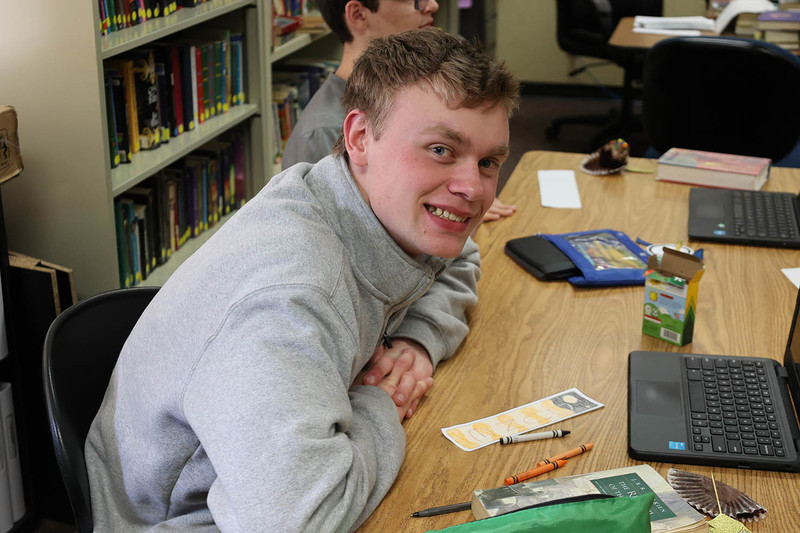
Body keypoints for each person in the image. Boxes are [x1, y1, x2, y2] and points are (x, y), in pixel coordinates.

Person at [86, 27, 519, 531]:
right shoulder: (289, 298)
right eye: (441, 150)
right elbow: (298, 521)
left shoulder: (368, 204)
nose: (472, 188)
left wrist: (415, 344)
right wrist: (379, 401)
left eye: (489, 162)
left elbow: (460, 256)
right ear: (360, 138)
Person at [281, 0, 516, 223]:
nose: (432, 5)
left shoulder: (414, 101)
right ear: (358, 15)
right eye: (413, 0)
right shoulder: (323, 133)